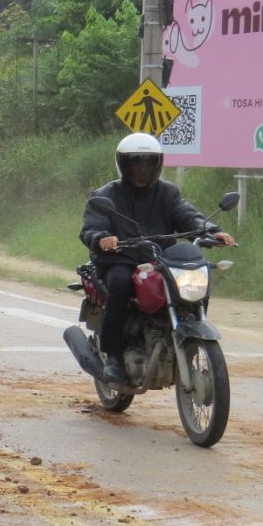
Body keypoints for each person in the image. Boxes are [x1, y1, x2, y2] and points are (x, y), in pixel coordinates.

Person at [80, 133, 236, 386]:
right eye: (135, 163)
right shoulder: (107, 195)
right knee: (120, 285)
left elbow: (188, 216)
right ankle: (114, 357)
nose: (142, 169)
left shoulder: (168, 193)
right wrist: (101, 238)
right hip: (121, 259)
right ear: (124, 165)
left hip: (161, 259)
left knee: (199, 277)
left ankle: (187, 333)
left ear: (157, 165)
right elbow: (91, 227)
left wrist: (211, 231)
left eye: (147, 163)